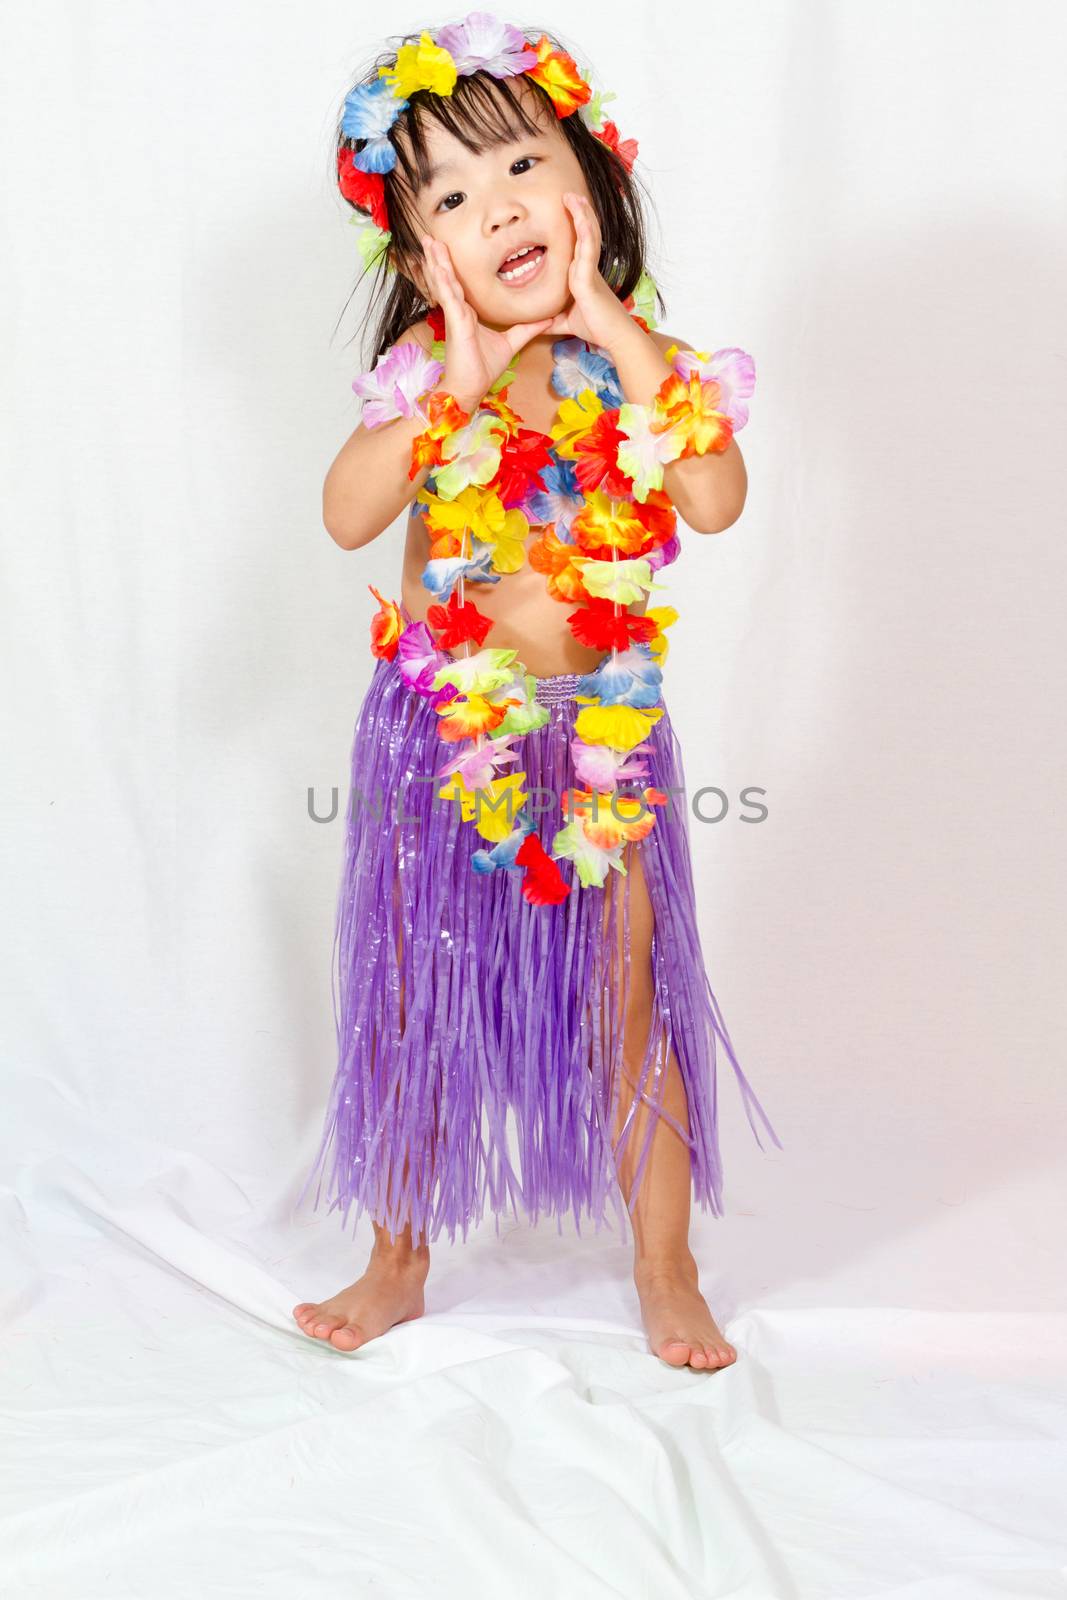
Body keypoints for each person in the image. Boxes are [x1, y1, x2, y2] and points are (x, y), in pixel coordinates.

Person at [293, 11, 782, 1371]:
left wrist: (613, 329)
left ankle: (666, 1265)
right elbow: (345, 516)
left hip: (597, 747)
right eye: (450, 194)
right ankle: (397, 1261)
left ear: (591, 182)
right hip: (438, 739)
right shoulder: (423, 393)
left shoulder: (653, 377)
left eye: (522, 168)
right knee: (414, 1003)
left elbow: (713, 495)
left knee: (629, 1007)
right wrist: (449, 389)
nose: (496, 207)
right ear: (417, 254)